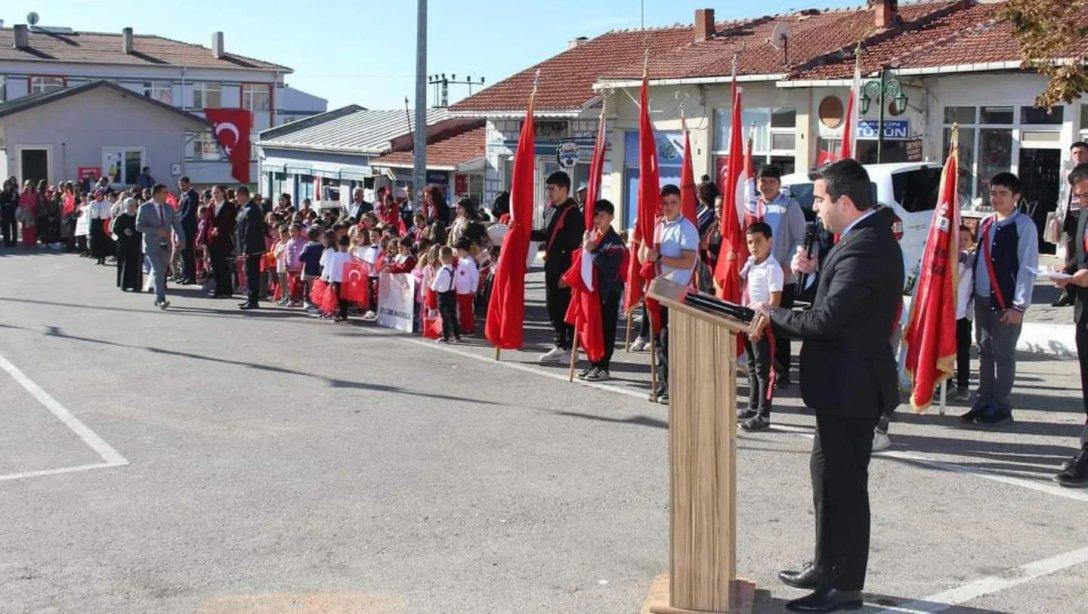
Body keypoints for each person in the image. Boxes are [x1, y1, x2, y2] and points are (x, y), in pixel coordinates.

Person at [750, 159, 903, 613]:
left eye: (819, 199)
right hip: (840, 386)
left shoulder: (867, 246)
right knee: (825, 476)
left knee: (846, 488)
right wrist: (812, 273)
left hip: (852, 387)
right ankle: (825, 563)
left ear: (845, 201)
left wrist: (771, 313)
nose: (815, 208)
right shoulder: (855, 239)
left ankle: (845, 583)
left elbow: (829, 320)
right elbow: (835, 302)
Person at [961, 172, 1038, 425]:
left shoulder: (1024, 226)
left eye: (1003, 193)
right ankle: (983, 400)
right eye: (993, 193)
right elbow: (979, 258)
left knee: (1003, 354)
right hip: (982, 299)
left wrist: (1019, 306)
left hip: (1006, 302)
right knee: (984, 351)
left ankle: (1002, 405)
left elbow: (1028, 268)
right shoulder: (985, 222)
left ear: (1016, 197)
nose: (996, 198)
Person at [745, 164, 806, 388]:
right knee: (754, 321)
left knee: (779, 325)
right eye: (763, 180)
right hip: (756, 276)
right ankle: (760, 367)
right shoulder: (752, 207)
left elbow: (799, 239)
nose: (767, 185)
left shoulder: (789, 206)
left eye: (771, 181)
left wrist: (787, 265)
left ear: (779, 184)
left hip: (780, 276)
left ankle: (781, 370)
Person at [640, 184, 700, 403]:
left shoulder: (686, 228)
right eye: (665, 203)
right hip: (658, 289)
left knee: (670, 341)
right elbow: (644, 258)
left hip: (676, 292)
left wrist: (659, 258)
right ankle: (663, 384)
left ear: (680, 203)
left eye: (673, 203)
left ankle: (673, 386)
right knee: (659, 340)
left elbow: (688, 261)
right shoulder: (657, 225)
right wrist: (643, 250)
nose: (668, 207)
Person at [1051, 162, 1088, 487]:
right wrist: (1067, 273)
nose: (1084, 201)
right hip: (1084, 311)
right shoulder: (1084, 216)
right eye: (1079, 197)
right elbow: (1081, 257)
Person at [532, 171, 586, 364]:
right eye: (548, 188)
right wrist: (522, 231)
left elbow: (574, 247)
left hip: (564, 269)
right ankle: (560, 344)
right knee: (553, 308)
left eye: (552, 188)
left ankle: (571, 349)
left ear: (564, 189)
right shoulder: (551, 209)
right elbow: (546, 234)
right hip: (551, 265)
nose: (549, 192)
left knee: (565, 309)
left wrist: (567, 274)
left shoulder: (573, 213)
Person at [739, 221, 783, 432]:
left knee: (764, 371)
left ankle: (763, 415)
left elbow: (774, 301)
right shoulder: (751, 263)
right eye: (749, 242)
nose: (754, 246)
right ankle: (752, 406)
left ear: (769, 241)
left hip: (763, 326)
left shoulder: (772, 267)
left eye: (758, 241)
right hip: (748, 322)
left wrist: (759, 326)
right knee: (751, 366)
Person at [578, 199, 627, 382]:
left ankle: (604, 366)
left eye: (602, 215)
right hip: (595, 292)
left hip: (609, 292)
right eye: (596, 215)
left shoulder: (614, 242)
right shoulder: (592, 236)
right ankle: (594, 363)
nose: (598, 219)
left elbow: (609, 267)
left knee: (607, 330)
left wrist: (592, 250)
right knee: (593, 328)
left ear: (611, 217)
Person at [135, 184, 186, 310]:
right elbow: (138, 226)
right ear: (156, 194)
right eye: (164, 192)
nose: (167, 195)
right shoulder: (144, 208)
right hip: (152, 245)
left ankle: (158, 296)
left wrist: (182, 239)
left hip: (166, 245)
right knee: (158, 271)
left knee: (162, 272)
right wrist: (156, 231)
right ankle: (160, 299)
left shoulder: (169, 208)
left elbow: (177, 225)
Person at [1050, 142, 1088, 307]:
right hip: (1071, 217)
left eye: (1081, 152)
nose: (1078, 155)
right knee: (1073, 251)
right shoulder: (1068, 173)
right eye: (1075, 153)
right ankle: (1069, 293)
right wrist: (1067, 271)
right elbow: (1063, 195)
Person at [954, 219, 978, 401]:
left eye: (966, 238)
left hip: (964, 315)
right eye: (958, 238)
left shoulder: (972, 261)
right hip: (947, 313)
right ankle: (944, 383)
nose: (962, 242)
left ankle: (963, 385)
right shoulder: (948, 260)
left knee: (963, 351)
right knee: (945, 351)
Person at [236, 186, 267, 310]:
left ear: (243, 195)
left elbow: (250, 232)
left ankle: (253, 300)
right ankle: (250, 297)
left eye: (238, 196)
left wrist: (246, 249)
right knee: (248, 273)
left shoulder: (252, 210)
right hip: (249, 247)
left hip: (253, 248)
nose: (237, 199)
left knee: (252, 273)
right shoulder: (246, 208)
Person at [206, 186, 236, 298]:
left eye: (217, 192)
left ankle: (227, 290)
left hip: (224, 239)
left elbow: (230, 222)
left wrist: (219, 229)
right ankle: (218, 288)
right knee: (215, 265)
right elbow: (208, 223)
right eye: (214, 193)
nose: (215, 195)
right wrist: (208, 236)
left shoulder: (229, 206)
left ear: (223, 193)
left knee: (224, 265)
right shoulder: (211, 206)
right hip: (212, 240)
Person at [111, 197, 143, 292]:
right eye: (130, 205)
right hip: (124, 244)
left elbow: (141, 228)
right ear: (126, 206)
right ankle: (124, 284)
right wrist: (124, 231)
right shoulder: (121, 217)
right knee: (125, 264)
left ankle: (136, 285)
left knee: (136, 264)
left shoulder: (138, 216)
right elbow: (115, 229)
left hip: (136, 243)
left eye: (134, 205)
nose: (132, 207)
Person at [431, 245, 461, 343]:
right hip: (452, 294)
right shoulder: (454, 270)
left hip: (443, 296)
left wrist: (432, 286)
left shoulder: (441, 271)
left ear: (441, 258)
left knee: (444, 316)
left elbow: (435, 285)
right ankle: (457, 335)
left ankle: (445, 337)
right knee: (452, 315)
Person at [453, 237, 479, 335]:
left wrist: (473, 289)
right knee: (461, 310)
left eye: (458, 250)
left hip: (467, 291)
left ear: (464, 250)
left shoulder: (470, 262)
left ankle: (468, 328)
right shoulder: (460, 260)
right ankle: (463, 326)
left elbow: (475, 276)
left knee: (467, 311)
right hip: (459, 290)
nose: (457, 252)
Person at [176, 176, 199, 285]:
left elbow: (189, 212)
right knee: (183, 252)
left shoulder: (192, 195)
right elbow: (180, 210)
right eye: (180, 185)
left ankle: (191, 276)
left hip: (188, 227)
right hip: (182, 227)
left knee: (188, 252)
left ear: (188, 183)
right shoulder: (183, 195)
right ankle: (185, 274)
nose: (181, 187)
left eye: (183, 185)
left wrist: (178, 221)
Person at [0, 178, 18, 247]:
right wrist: (8, 203)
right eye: (6, 185)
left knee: (14, 227)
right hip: (5, 213)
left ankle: (14, 241)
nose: (8, 186)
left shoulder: (13, 193)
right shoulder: (2, 193)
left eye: (9, 185)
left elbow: (16, 202)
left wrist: (11, 201)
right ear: (4, 186)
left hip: (12, 212)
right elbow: (2, 203)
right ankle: (6, 241)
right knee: (6, 227)